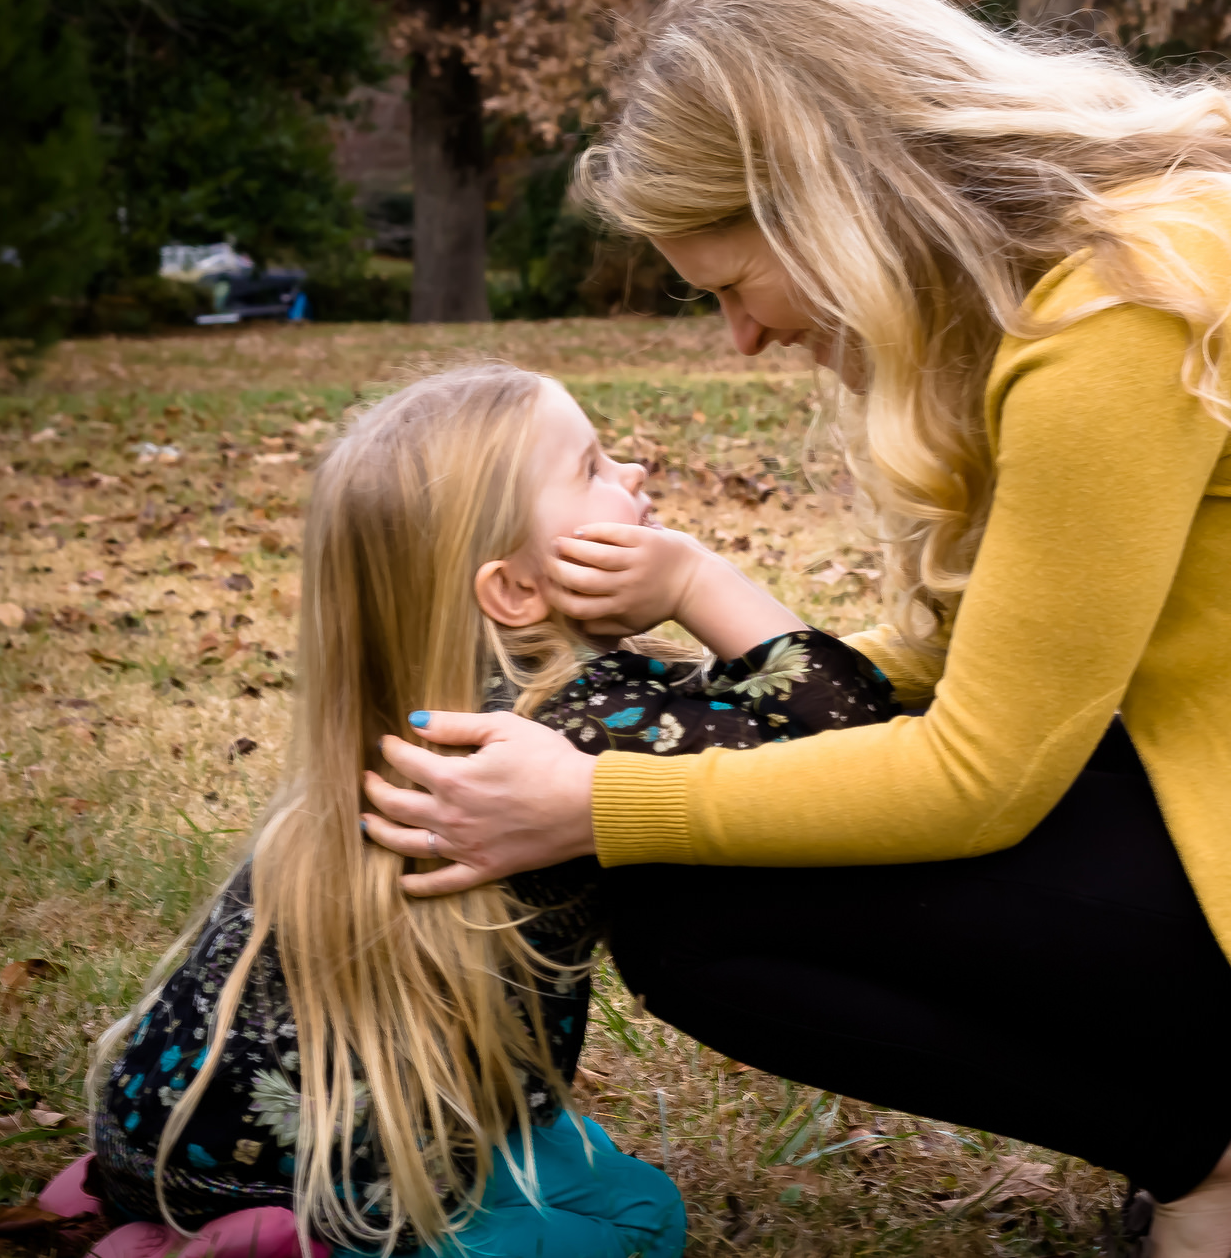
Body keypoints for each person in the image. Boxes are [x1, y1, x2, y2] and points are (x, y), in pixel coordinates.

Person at [357, 0, 1231, 1258]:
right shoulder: (1139, 248)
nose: (739, 340)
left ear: (824, 210)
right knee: (756, 830)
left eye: (731, 288)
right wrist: (726, 667)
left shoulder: (1128, 310)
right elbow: (970, 659)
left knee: (694, 915)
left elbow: (982, 776)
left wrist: (593, 804)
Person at [78, 363, 897, 1256]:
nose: (634, 473)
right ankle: (300, 1243)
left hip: (154, 1137)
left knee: (594, 1172)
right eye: (592, 467)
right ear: (512, 589)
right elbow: (850, 731)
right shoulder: (588, 719)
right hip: (293, 1166)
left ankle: (172, 1217)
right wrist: (701, 579)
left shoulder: (427, 710)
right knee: (637, 1219)